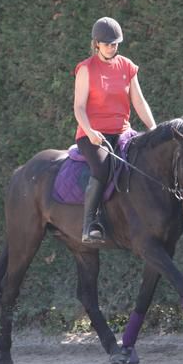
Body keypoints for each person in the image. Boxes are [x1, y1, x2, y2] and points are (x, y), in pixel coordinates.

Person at [73, 17, 156, 243]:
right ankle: (89, 224)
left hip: (122, 132)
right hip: (93, 135)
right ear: (96, 44)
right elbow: (79, 107)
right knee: (102, 168)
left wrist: (153, 128)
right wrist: (90, 131)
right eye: (108, 44)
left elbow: (139, 102)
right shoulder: (86, 69)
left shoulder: (127, 66)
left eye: (115, 44)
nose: (112, 47)